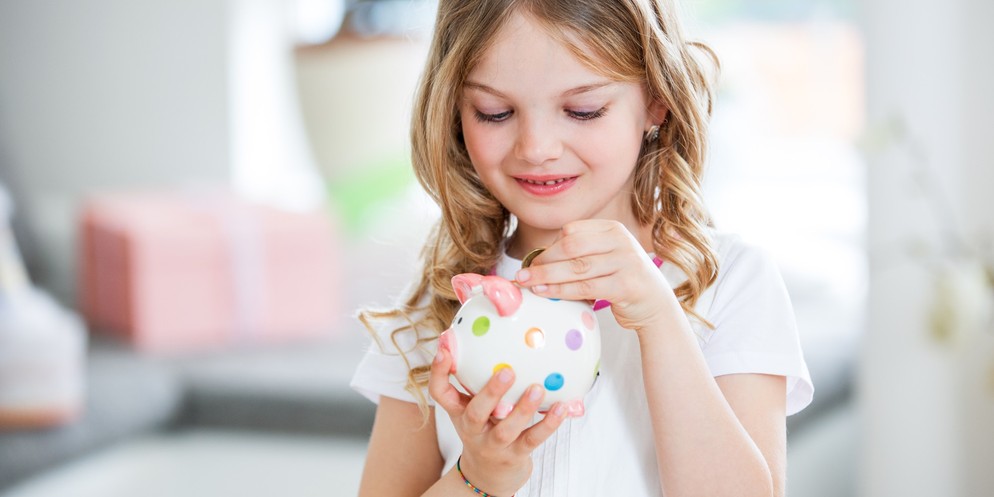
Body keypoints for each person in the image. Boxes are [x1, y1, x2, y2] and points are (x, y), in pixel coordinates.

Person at [350, 0, 813, 496]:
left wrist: (660, 319)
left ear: (657, 99)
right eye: (494, 112)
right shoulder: (438, 307)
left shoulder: (730, 283)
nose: (536, 148)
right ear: (454, 112)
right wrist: (478, 477)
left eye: (582, 110)